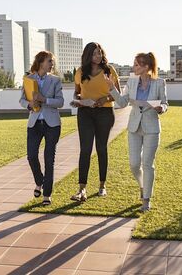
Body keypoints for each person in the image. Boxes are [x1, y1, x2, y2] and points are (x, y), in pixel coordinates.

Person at [107, 52, 168, 211]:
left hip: (152, 128)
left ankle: (146, 199)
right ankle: (142, 186)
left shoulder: (160, 83)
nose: (133, 67)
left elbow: (165, 103)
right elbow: (121, 102)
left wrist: (161, 108)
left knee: (147, 164)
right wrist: (112, 88)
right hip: (134, 127)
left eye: (136, 65)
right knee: (134, 164)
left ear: (146, 67)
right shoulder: (132, 82)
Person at [70, 42, 120, 202]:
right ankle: (81, 189)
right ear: (87, 56)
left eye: (99, 53)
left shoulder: (109, 70)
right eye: (94, 54)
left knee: (101, 148)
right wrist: (79, 100)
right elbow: (77, 93)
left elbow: (118, 94)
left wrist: (104, 98)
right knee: (85, 149)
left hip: (105, 112)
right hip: (85, 112)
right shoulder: (80, 72)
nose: (97, 56)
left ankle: (102, 185)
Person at [19, 51, 64, 206]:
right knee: (31, 156)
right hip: (34, 123)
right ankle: (39, 181)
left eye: (52, 61)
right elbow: (22, 100)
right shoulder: (28, 79)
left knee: (49, 158)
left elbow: (60, 102)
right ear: (41, 62)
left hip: (52, 124)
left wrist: (44, 99)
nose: (52, 64)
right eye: (49, 61)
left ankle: (47, 194)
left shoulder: (56, 80)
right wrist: (29, 104)